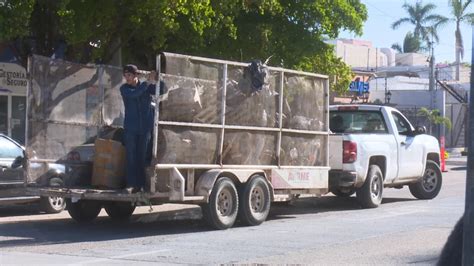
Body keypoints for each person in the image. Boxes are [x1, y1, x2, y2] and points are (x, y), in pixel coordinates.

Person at [120, 64, 156, 193]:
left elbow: (162, 89)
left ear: (136, 75)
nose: (127, 78)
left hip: (145, 128)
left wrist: (157, 78)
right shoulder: (124, 89)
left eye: (129, 75)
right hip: (131, 128)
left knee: (142, 156)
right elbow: (135, 93)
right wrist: (148, 82)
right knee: (131, 156)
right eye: (125, 75)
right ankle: (131, 184)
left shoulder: (146, 87)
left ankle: (140, 185)